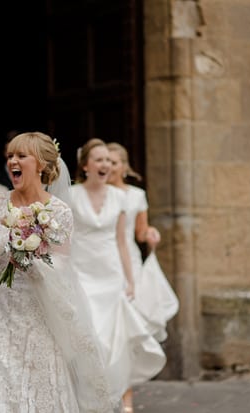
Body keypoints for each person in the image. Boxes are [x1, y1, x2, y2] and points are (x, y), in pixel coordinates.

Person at [0, 132, 114, 412]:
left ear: (42, 165)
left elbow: (59, 267)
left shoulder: (58, 211)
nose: (13, 161)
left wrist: (22, 254)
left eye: (21, 155)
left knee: (37, 391)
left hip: (39, 314)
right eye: (10, 155)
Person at [68, 138, 166, 412]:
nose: (105, 165)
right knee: (90, 338)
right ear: (85, 165)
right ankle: (88, 398)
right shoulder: (71, 195)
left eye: (109, 161)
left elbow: (122, 241)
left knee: (113, 340)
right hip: (82, 275)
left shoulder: (121, 198)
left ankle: (117, 398)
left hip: (112, 276)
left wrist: (130, 280)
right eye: (99, 160)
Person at [106, 142, 179, 343]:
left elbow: (140, 232)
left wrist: (150, 233)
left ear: (124, 166)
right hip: (102, 256)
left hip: (129, 257)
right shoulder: (97, 193)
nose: (109, 167)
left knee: (131, 311)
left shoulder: (137, 196)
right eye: (106, 161)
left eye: (114, 162)